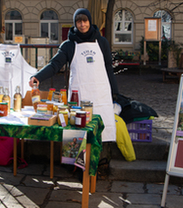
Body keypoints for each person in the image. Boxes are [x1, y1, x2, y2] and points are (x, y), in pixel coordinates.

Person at [29, 8, 118, 142]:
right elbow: (55, 65)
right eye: (79, 22)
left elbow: (108, 68)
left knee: (102, 130)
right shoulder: (69, 45)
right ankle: (78, 160)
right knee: (79, 130)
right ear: (75, 24)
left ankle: (99, 159)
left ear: (90, 21)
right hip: (80, 93)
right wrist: (38, 76)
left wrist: (115, 91)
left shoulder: (102, 42)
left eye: (85, 21)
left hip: (101, 93)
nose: (82, 25)